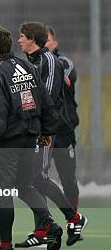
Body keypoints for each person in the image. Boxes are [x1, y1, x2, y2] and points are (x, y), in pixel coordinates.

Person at [0, 25, 62, 250]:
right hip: (31, 136)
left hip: (8, 141)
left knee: (4, 191)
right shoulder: (27, 65)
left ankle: (5, 246)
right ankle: (50, 223)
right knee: (25, 186)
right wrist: (46, 130)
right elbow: (45, 101)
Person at [13, 22, 86, 248]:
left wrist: (33, 119)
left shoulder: (49, 61)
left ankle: (72, 218)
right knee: (28, 180)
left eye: (22, 36)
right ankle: (47, 226)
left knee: (38, 177)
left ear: (33, 39)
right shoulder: (29, 63)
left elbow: (47, 97)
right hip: (31, 129)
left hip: (45, 130)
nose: (19, 40)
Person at [44, 26, 81, 211]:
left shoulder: (64, 63)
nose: (45, 43)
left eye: (48, 40)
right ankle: (43, 226)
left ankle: (74, 220)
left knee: (67, 177)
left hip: (64, 131)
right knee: (37, 178)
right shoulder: (31, 66)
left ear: (55, 43)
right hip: (43, 132)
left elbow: (65, 79)